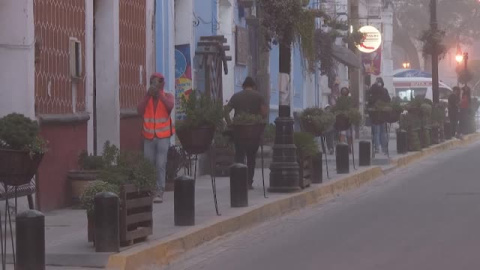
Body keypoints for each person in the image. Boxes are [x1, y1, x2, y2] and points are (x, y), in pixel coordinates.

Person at [224, 77, 268, 189]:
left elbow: (226, 111)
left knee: (239, 156)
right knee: (251, 158)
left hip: (239, 132)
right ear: (253, 86)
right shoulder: (259, 96)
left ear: (243, 86)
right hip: (254, 133)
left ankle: (238, 182)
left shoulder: (236, 96)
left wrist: (230, 123)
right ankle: (249, 182)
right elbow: (264, 113)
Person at [137, 72, 175, 203]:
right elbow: (139, 110)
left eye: (157, 82)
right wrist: (148, 95)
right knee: (148, 164)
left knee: (160, 164)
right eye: (152, 82)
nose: (155, 84)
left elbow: (170, 107)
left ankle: (159, 191)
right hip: (148, 136)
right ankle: (149, 190)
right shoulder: (146, 98)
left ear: (162, 84)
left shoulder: (167, 96)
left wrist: (159, 94)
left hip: (163, 137)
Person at [368, 77, 391, 155]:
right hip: (380, 115)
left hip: (377, 115)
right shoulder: (383, 91)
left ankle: (378, 148)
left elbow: (369, 102)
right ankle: (382, 148)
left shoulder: (373, 91)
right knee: (381, 132)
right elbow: (388, 100)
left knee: (378, 132)